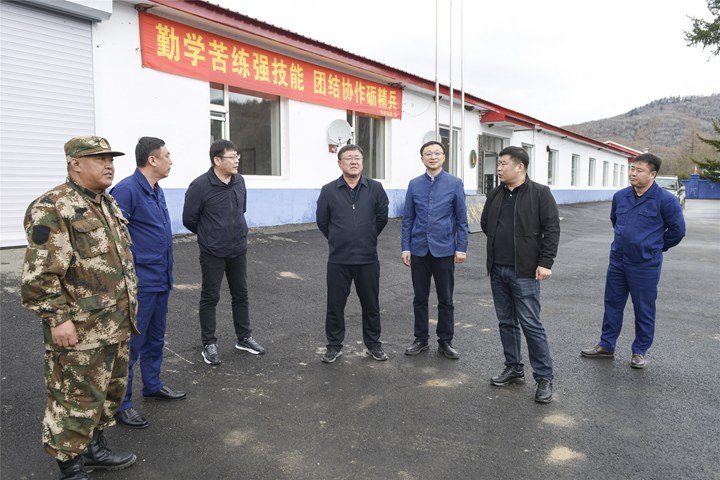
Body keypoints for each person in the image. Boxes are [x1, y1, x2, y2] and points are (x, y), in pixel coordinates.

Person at [21, 136, 139, 479]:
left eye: (111, 159)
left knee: (108, 394)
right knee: (75, 400)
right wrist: (58, 319)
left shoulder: (106, 204)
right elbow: (40, 275)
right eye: (99, 159)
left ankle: (94, 451)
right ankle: (71, 468)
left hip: (115, 323)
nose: (109, 164)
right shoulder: (53, 207)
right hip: (80, 330)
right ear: (75, 164)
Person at [581, 153, 685, 369]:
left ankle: (639, 351)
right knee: (612, 304)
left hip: (645, 264)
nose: (633, 173)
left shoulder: (666, 200)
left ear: (653, 174)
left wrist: (654, 246)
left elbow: (677, 231)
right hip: (618, 261)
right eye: (632, 169)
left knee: (644, 308)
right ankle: (606, 345)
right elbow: (615, 221)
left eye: (639, 170)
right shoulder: (621, 196)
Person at [110, 137, 186, 429]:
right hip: (140, 284)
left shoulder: (155, 189)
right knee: (131, 345)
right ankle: (122, 404)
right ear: (152, 160)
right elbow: (114, 241)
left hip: (161, 279)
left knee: (155, 338)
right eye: (167, 155)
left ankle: (152, 385)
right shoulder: (127, 190)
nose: (171, 160)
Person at [480, 146, 560, 403]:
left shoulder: (540, 193)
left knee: (531, 324)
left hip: (525, 270)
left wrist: (545, 262)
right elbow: (485, 223)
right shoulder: (495, 193)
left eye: (503, 164)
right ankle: (514, 368)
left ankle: (544, 377)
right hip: (498, 268)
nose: (499, 168)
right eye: (499, 163)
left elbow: (552, 229)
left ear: (520, 167)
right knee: (506, 322)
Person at [182, 139, 265, 365]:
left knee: (241, 294)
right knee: (210, 296)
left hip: (238, 248)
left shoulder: (239, 181)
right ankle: (209, 343)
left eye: (238, 156)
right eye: (232, 157)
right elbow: (189, 219)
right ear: (217, 160)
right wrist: (210, 234)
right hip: (213, 251)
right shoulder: (200, 186)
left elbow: (240, 210)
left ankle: (244, 338)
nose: (237, 160)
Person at [316, 144, 390, 363]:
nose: (354, 162)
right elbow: (322, 221)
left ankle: (373, 344)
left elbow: (382, 217)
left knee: (371, 305)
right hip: (339, 259)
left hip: (367, 258)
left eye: (357, 157)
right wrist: (338, 238)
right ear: (340, 163)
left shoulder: (375, 188)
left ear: (362, 162)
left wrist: (367, 235)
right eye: (348, 158)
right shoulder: (328, 190)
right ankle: (334, 346)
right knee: (335, 306)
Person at [401, 141, 468, 359]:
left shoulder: (454, 183)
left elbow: (461, 219)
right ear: (422, 158)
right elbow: (408, 219)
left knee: (445, 299)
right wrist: (405, 247)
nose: (433, 157)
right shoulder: (414, 184)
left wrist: (461, 247)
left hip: (445, 250)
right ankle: (420, 339)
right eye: (428, 154)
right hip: (419, 250)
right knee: (419, 298)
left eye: (437, 153)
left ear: (444, 157)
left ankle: (445, 341)